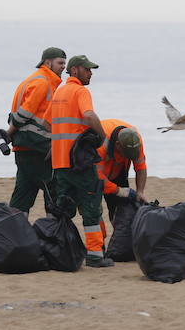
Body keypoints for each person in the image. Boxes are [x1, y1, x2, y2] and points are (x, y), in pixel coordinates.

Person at [46, 55, 111, 267]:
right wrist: (101, 136)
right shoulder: (80, 91)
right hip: (80, 161)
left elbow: (47, 122)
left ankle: (58, 250)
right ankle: (95, 255)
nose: (91, 73)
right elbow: (90, 115)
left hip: (60, 162)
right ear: (75, 70)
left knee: (63, 207)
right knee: (91, 205)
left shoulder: (59, 91)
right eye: (87, 69)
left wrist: (63, 138)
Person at [6, 47, 66, 216]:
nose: (63, 67)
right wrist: (9, 132)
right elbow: (23, 114)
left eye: (64, 63)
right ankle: (53, 227)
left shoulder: (33, 79)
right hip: (37, 146)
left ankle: (15, 227)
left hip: (23, 147)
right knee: (53, 189)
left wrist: (10, 135)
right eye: (60, 63)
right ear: (47, 63)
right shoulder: (43, 83)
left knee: (23, 193)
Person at [97, 119, 148, 235]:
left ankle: (119, 237)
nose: (130, 157)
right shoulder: (99, 144)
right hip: (94, 174)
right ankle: (99, 243)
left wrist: (140, 191)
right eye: (127, 154)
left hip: (118, 169)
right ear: (117, 145)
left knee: (120, 210)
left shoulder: (136, 141)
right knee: (94, 211)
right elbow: (97, 177)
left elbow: (141, 167)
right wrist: (119, 191)